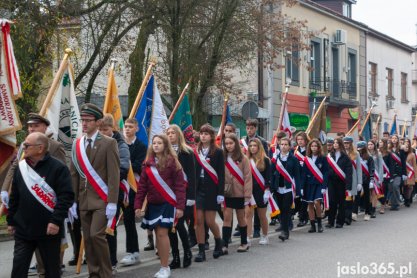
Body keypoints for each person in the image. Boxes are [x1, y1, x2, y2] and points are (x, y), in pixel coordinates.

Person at [1, 113, 67, 276]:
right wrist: (5, 192)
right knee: (18, 267)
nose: (31, 128)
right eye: (30, 126)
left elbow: (64, 192)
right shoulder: (25, 151)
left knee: (49, 268)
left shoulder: (56, 157)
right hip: (24, 226)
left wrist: (56, 219)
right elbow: (14, 179)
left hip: (47, 224)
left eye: (35, 126)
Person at [70, 103, 120, 278]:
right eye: (82, 120)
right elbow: (74, 174)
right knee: (89, 239)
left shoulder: (109, 143)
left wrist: (113, 202)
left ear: (98, 122)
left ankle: (106, 273)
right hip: (83, 200)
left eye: (88, 120)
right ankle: (94, 273)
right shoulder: (77, 145)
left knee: (96, 236)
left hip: (102, 199)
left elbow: (114, 175)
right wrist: (72, 201)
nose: (84, 123)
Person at [135, 134, 186, 278]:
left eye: (159, 143)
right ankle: (163, 265)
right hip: (153, 204)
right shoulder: (147, 163)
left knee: (163, 233)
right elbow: (142, 187)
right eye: (154, 143)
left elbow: (180, 186)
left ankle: (165, 267)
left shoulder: (172, 162)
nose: (156, 145)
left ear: (165, 145)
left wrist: (180, 207)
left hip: (168, 203)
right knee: (158, 234)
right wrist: (138, 205)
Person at [98, 114, 131, 271]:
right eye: (100, 129)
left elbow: (123, 169)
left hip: (112, 190)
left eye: (106, 129)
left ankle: (111, 262)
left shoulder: (121, 145)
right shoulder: (94, 142)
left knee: (109, 228)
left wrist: (104, 175)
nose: (103, 132)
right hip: (95, 191)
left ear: (113, 128)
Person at [193, 124, 225, 262]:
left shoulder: (217, 152)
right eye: (201, 133)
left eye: (206, 134)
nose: (203, 136)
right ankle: (201, 251)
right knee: (199, 221)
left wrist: (220, 193)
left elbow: (221, 174)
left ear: (212, 136)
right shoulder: (196, 151)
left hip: (212, 189)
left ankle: (218, 242)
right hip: (199, 189)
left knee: (210, 221)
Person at [166, 125, 196, 269]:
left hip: (182, 194)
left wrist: (191, 197)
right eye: (168, 133)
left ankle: (187, 252)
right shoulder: (164, 153)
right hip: (168, 194)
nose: (170, 135)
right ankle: (176, 256)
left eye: (173, 133)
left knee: (179, 224)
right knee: (170, 227)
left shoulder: (187, 152)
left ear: (179, 135)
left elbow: (191, 175)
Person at [120, 118, 146, 266]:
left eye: (130, 126)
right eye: (126, 127)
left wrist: (124, 164)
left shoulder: (141, 146)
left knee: (129, 219)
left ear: (136, 128)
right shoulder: (119, 145)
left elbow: (138, 166)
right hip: (119, 185)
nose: (127, 129)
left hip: (133, 187)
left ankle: (133, 252)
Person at [222, 134, 252, 253]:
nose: (229, 146)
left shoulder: (243, 158)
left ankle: (244, 242)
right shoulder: (222, 157)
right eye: (227, 144)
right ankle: (224, 245)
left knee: (241, 218)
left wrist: (247, 197)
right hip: (227, 192)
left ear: (236, 144)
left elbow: (248, 178)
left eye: (231, 143)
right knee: (227, 218)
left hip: (240, 193)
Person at [271, 137, 300, 241]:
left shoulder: (294, 159)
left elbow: (297, 175)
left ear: (289, 147)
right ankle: (284, 228)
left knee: (285, 210)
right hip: (278, 188)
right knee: (280, 210)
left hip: (288, 189)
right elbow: (272, 173)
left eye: (285, 144)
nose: (283, 146)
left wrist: (299, 189)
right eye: (281, 144)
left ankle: (285, 232)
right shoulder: (275, 158)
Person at [246, 138, 271, 244]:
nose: (252, 148)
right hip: (249, 191)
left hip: (261, 191)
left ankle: (265, 235)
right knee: (248, 215)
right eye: (250, 146)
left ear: (259, 147)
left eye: (254, 146)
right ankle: (247, 237)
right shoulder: (246, 159)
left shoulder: (265, 160)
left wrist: (267, 190)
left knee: (261, 216)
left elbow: (268, 177)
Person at [302, 139, 328, 233]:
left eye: (315, 146)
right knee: (310, 204)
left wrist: (324, 186)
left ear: (318, 147)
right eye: (312, 146)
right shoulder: (307, 159)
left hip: (319, 184)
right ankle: (312, 225)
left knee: (317, 202)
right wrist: (301, 187)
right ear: (309, 147)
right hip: (309, 184)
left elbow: (325, 172)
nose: (314, 148)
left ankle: (320, 224)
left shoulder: (323, 158)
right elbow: (304, 173)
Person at [326, 138, 353, 229]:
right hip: (331, 182)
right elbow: (327, 168)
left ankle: (340, 222)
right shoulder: (330, 155)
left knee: (341, 203)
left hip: (341, 182)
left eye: (337, 143)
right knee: (332, 201)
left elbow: (349, 172)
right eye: (334, 143)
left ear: (340, 144)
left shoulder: (345, 157)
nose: (335, 144)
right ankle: (330, 221)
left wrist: (348, 186)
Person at [343, 136, 362, 224]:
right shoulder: (341, 153)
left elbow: (359, 169)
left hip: (352, 179)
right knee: (343, 199)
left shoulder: (356, 154)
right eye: (344, 143)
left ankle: (348, 217)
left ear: (351, 144)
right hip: (342, 178)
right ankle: (343, 216)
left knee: (349, 198)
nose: (346, 145)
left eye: (347, 143)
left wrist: (359, 182)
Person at [355, 141, 374, 221]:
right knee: (356, 197)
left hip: (366, 180)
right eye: (358, 148)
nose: (359, 150)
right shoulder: (356, 157)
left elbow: (371, 169)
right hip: (358, 180)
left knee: (366, 197)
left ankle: (367, 213)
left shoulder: (369, 158)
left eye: (361, 148)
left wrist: (371, 180)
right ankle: (354, 213)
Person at [294, 132, 309, 227]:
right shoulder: (295, 151)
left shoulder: (309, 151)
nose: (300, 141)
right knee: (297, 199)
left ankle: (304, 218)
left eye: (301, 139)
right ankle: (301, 214)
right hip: (297, 178)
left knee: (305, 199)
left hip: (307, 178)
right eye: (298, 140)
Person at [388, 134, 407, 211]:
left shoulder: (401, 150)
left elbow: (403, 162)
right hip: (390, 172)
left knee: (396, 186)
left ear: (398, 140)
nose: (394, 139)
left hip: (399, 172)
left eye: (396, 138)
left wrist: (404, 174)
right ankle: (393, 204)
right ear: (391, 140)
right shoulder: (389, 150)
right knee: (391, 188)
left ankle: (397, 203)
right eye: (393, 138)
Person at [368, 140, 383, 218]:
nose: (370, 146)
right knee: (369, 194)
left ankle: (373, 210)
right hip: (368, 176)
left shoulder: (378, 154)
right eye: (368, 144)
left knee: (374, 193)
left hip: (376, 176)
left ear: (374, 145)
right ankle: (369, 208)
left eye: (371, 144)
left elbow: (381, 166)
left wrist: (380, 178)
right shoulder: (366, 154)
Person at [378, 138, 391, 214]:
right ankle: (383, 202)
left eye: (381, 142)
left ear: (385, 143)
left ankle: (382, 206)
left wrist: (390, 175)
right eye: (379, 142)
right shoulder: (377, 152)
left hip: (386, 174)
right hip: (377, 173)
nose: (380, 143)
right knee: (378, 190)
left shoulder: (388, 153)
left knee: (383, 190)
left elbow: (390, 165)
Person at [402, 139, 416, 207]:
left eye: (408, 142)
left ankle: (408, 199)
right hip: (403, 172)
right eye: (405, 142)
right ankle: (406, 199)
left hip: (410, 172)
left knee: (410, 186)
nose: (406, 144)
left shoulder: (412, 154)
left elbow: (414, 165)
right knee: (404, 187)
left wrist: (416, 175)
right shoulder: (401, 153)